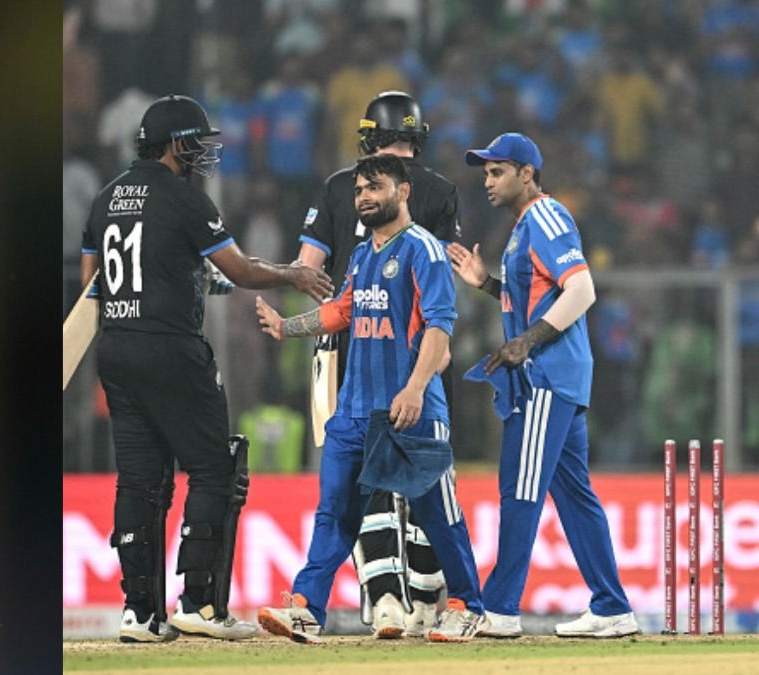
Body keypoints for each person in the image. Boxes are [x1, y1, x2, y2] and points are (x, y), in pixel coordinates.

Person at [80, 94, 333, 643]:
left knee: (141, 480)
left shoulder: (103, 200)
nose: (202, 154)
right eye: (196, 142)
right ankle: (199, 602)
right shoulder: (185, 198)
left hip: (116, 347)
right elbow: (240, 271)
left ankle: (139, 613)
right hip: (171, 347)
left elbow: (92, 283)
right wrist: (292, 275)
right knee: (215, 467)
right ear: (175, 144)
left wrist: (181, 278)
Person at [256, 154, 484, 644]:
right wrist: (286, 327)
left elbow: (441, 328)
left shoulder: (424, 249)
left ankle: (469, 604)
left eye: (373, 187)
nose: (363, 196)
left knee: (437, 517)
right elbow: (341, 311)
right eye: (359, 188)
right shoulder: (361, 255)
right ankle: (307, 607)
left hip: (409, 412)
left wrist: (416, 387)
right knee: (335, 514)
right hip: (354, 411)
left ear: (402, 192)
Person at [447, 132, 638, 638]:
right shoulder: (526, 226)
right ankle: (612, 606)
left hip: (546, 376)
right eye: (485, 172)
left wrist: (526, 344)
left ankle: (500, 608)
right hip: (556, 374)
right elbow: (539, 296)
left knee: (519, 489)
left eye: (497, 171)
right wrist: (488, 284)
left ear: (526, 173)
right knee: (574, 495)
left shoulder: (546, 217)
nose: (487, 181)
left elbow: (583, 289)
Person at [295, 91, 460, 637]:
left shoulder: (343, 184)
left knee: (356, 483)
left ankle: (382, 597)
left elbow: (308, 269)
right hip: (418, 354)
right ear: (419, 134)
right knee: (425, 483)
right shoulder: (439, 190)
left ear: (369, 134)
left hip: (349, 354)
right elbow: (443, 282)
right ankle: (430, 596)